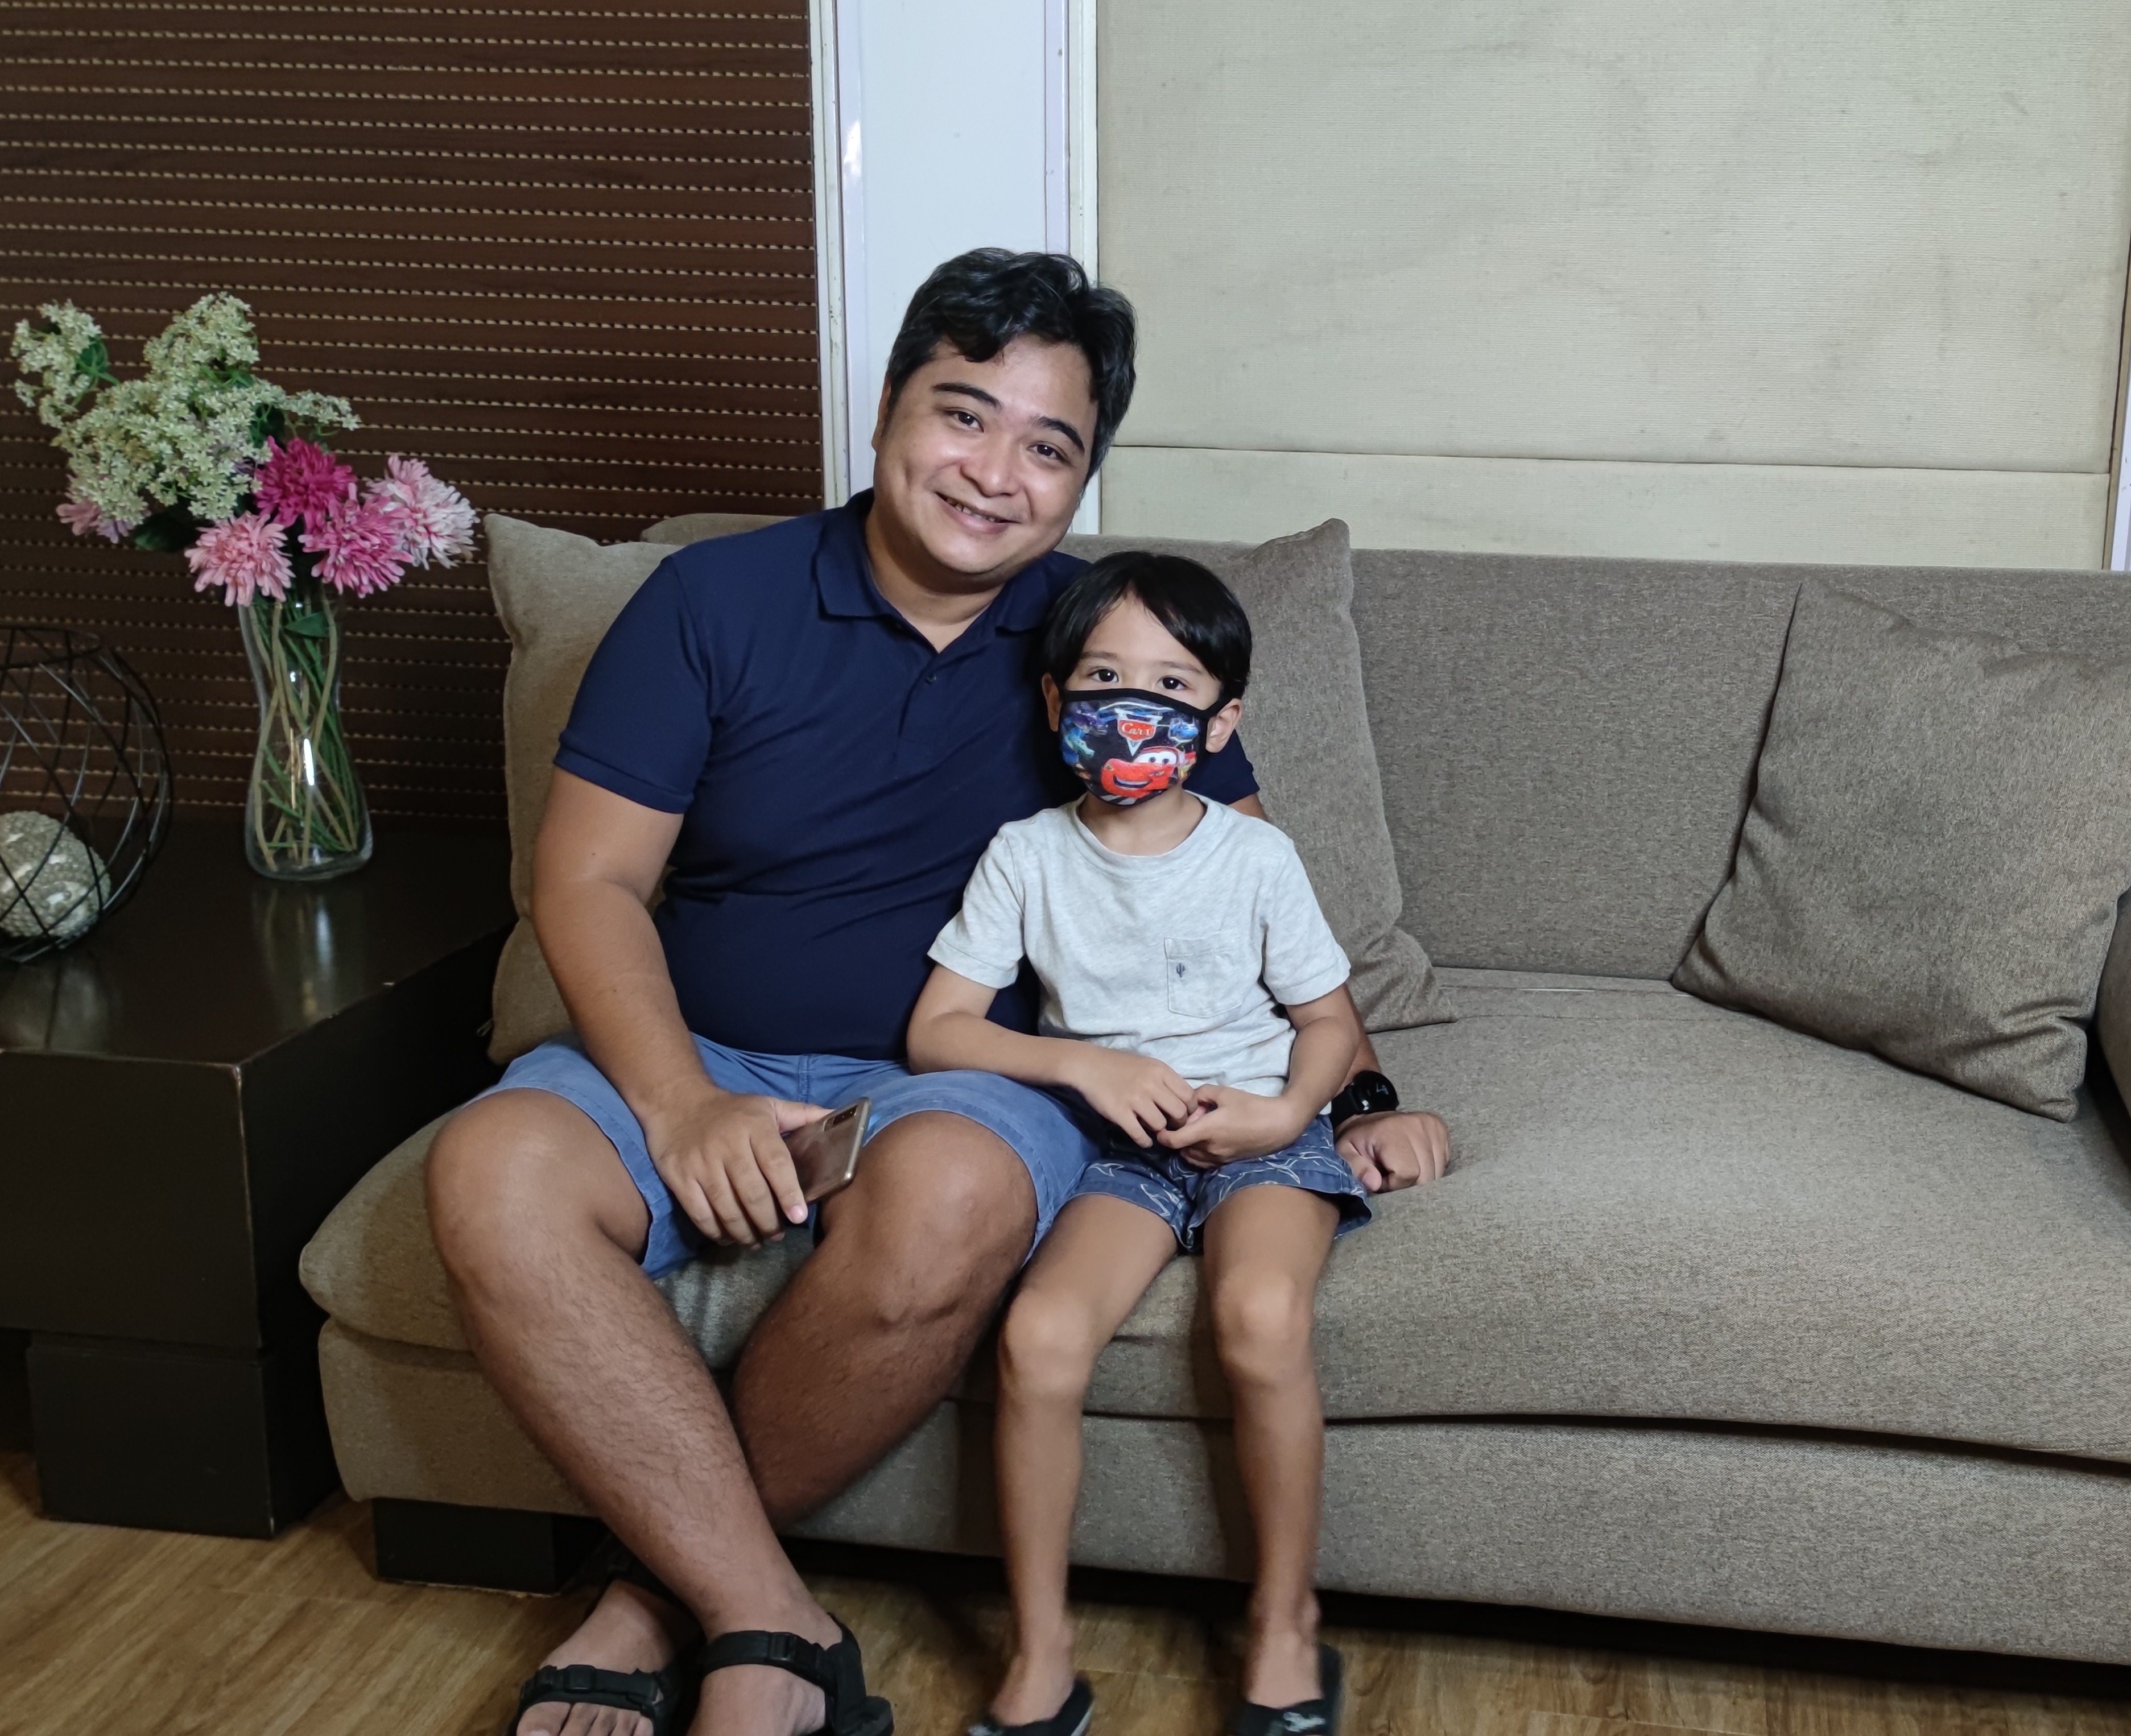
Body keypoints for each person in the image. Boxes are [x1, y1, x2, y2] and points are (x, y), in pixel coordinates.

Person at [422, 250, 1451, 1736]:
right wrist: (683, 1099)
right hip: (689, 1044)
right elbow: (585, 882)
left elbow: (1239, 896)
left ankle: (659, 1598)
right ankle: (774, 1617)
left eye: (1048, 446)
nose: (993, 472)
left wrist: (1352, 1097)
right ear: (889, 405)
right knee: (488, 1169)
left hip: (961, 1078)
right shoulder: (710, 598)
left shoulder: (1105, 642)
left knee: (953, 1196)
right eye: (963, 414)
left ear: (1083, 477)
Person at [911, 553, 1374, 1736]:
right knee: (1039, 1334)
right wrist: (1083, 1064)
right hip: (1116, 1147)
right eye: (1104, 677)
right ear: (1055, 701)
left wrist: (1285, 1114)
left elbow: (1328, 1021)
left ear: (1222, 721)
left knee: (1259, 1315)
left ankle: (1285, 1622)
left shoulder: (1256, 856)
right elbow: (938, 1029)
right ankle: (1043, 1651)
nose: (1133, 707)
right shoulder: (1026, 854)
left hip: (1258, 1132)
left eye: (1171, 686)